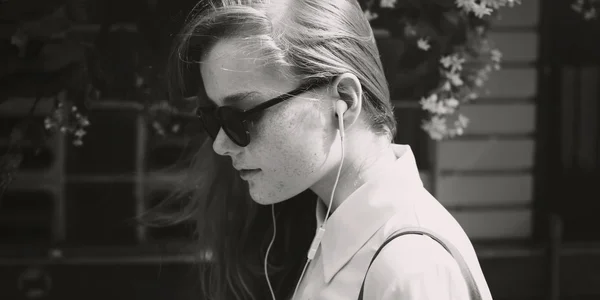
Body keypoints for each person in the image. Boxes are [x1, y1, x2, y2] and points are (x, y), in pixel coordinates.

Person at [163, 0, 494, 299]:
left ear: (345, 101)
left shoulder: (409, 267)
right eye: (212, 118)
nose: (221, 144)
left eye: (241, 116)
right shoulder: (336, 231)